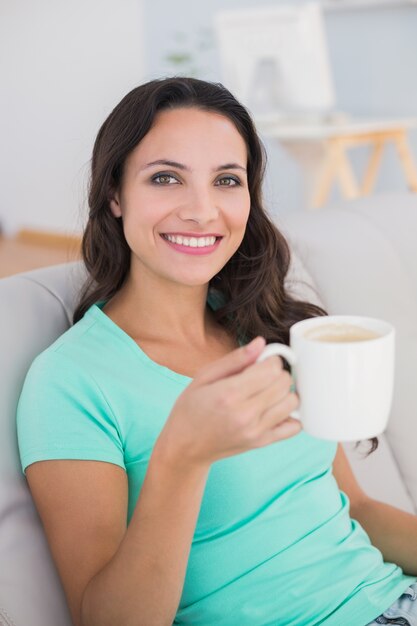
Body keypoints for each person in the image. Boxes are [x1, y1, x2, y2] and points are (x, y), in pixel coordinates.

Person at [16, 77, 417, 626]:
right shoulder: (71, 381)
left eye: (226, 180)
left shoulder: (267, 325)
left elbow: (358, 509)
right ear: (114, 194)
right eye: (165, 178)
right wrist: (183, 456)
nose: (203, 211)